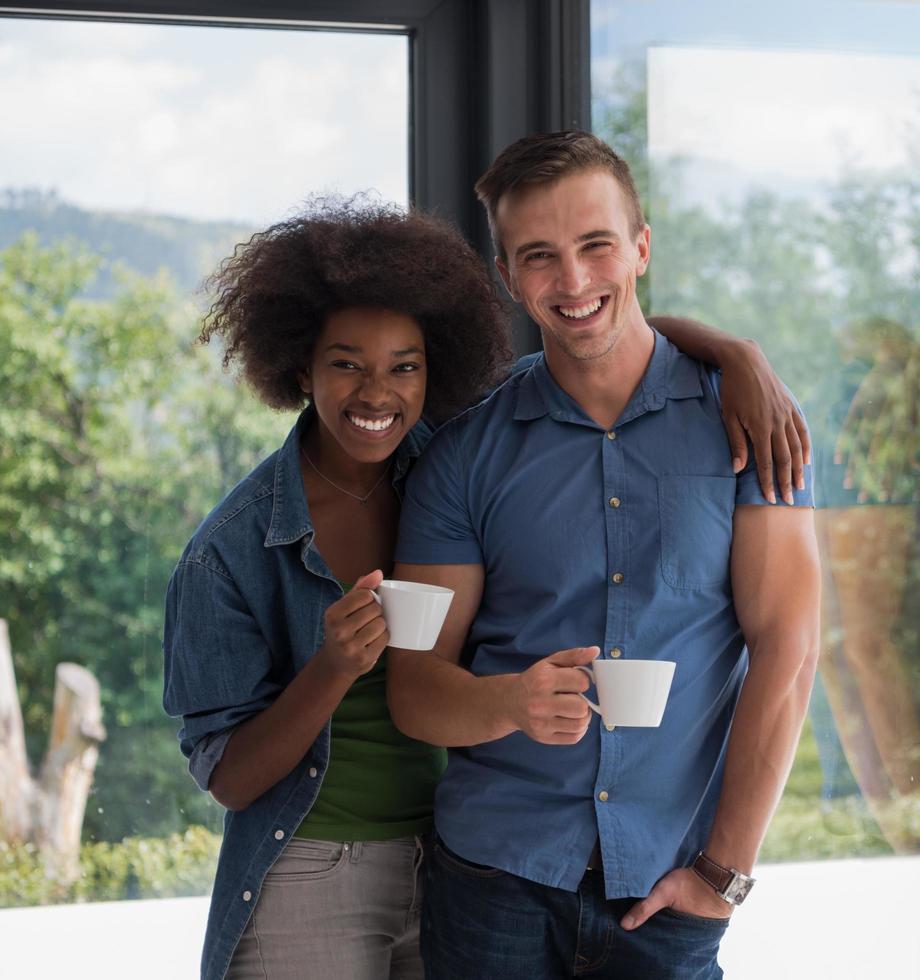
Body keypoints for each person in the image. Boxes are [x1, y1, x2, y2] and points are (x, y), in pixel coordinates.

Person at [161, 196, 812, 980]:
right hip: (316, 860)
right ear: (299, 366)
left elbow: (592, 335)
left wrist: (734, 353)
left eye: (403, 366)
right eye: (345, 365)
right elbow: (229, 778)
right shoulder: (230, 552)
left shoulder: (447, 457)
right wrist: (333, 666)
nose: (376, 394)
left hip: (449, 857)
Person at [387, 132, 823, 979]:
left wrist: (721, 876)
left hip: (671, 884)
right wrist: (508, 702)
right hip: (493, 884)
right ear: (509, 277)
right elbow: (415, 690)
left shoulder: (748, 423)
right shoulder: (461, 458)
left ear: (641, 248)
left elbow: (790, 651)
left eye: (595, 246)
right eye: (540, 257)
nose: (575, 281)